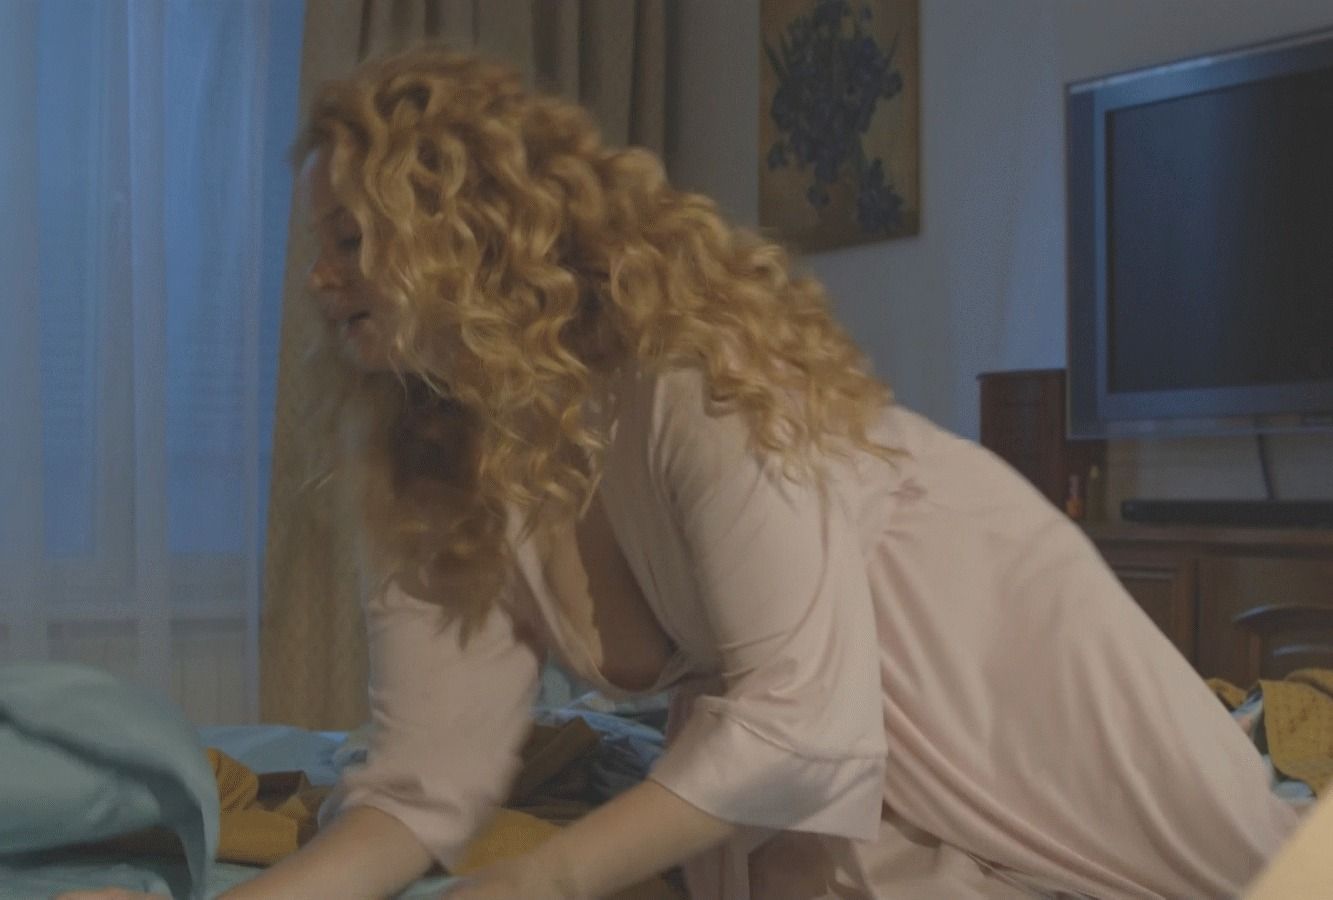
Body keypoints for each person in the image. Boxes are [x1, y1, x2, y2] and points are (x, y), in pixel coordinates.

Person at [65, 45, 1298, 900]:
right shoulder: (428, 463)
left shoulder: (687, 375)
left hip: (994, 654)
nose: (319, 278)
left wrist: (545, 878)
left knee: (1263, 872)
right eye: (317, 246)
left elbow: (802, 717)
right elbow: (420, 792)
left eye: (348, 237)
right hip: (830, 761)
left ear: (463, 231)